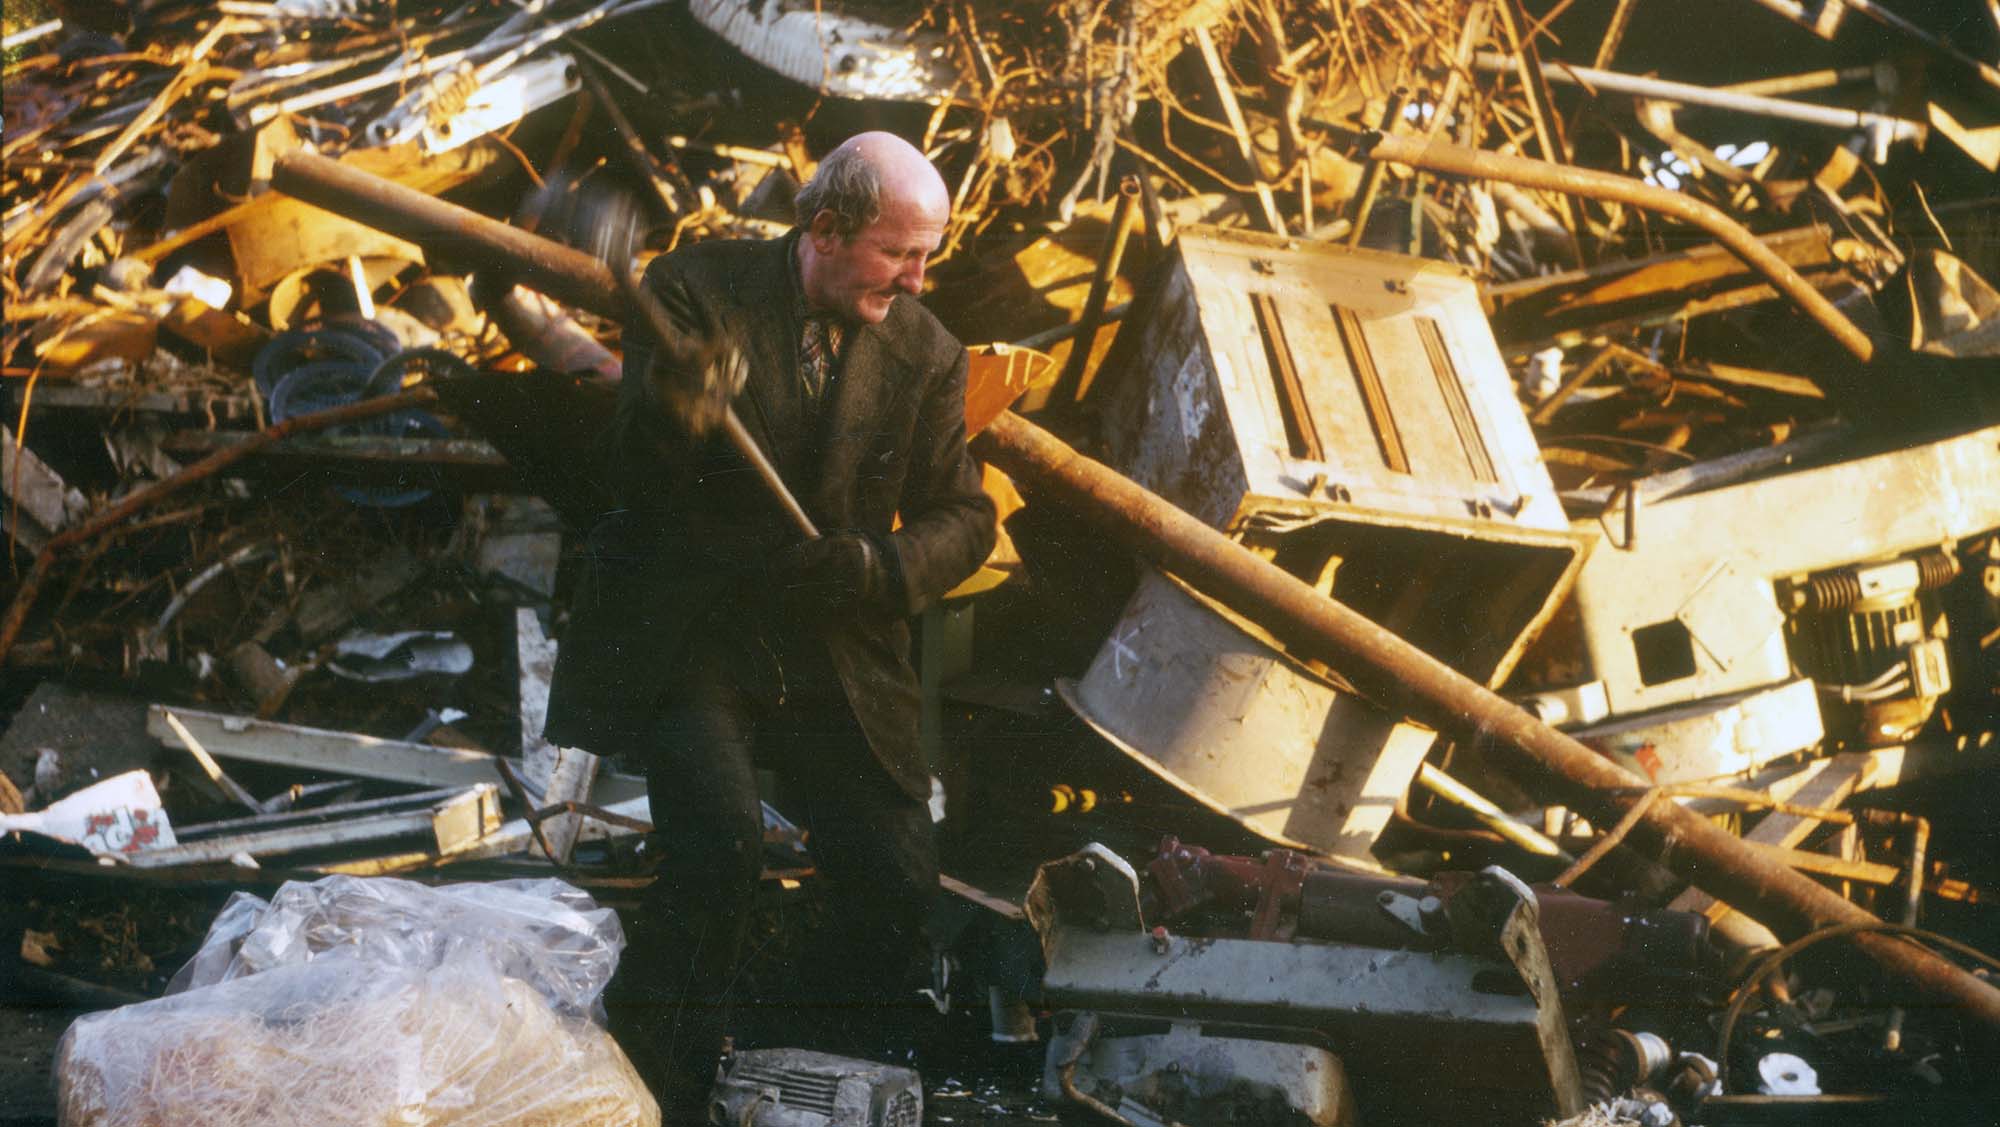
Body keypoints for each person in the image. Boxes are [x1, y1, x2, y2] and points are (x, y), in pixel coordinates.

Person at [543, 132, 998, 1117]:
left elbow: (965, 517)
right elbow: (621, 483)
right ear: (824, 229)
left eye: (929, 254)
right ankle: (653, 1084)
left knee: (894, 870)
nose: (918, 280)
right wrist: (674, 409)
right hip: (694, 624)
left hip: (828, 631)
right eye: (898, 253)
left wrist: (878, 564)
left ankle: (804, 1057)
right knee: (717, 847)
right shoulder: (693, 294)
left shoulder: (925, 352)